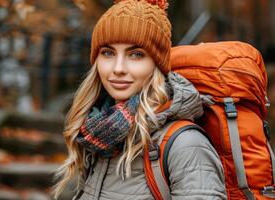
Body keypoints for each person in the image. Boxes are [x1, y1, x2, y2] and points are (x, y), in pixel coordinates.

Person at [54, 0, 227, 199]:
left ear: (157, 64)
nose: (118, 68)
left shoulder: (185, 145)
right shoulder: (97, 135)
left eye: (136, 54)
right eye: (108, 53)